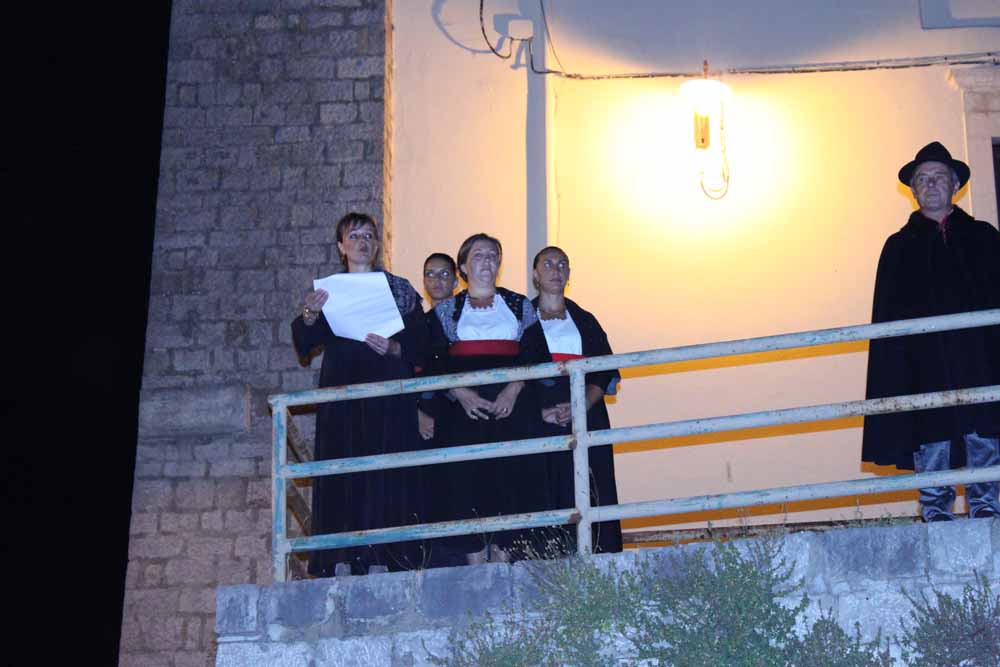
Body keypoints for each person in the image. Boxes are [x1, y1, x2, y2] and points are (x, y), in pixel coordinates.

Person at [863, 141, 1000, 522]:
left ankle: (987, 506)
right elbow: (888, 316)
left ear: (956, 185)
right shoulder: (899, 247)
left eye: (939, 176)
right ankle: (935, 509)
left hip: (979, 357)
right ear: (913, 190)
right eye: (923, 179)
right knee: (930, 431)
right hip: (923, 363)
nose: (931, 184)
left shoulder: (984, 238)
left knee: (984, 427)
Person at [292, 212, 429, 576]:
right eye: (353, 236)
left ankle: (388, 556)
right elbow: (305, 341)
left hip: (389, 393)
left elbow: (424, 343)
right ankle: (340, 556)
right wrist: (309, 312)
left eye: (368, 235)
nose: (362, 242)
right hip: (343, 392)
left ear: (377, 244)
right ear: (341, 247)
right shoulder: (329, 291)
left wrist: (396, 348)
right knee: (342, 468)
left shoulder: (399, 289)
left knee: (388, 468)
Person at [427, 233, 545, 564]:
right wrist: (460, 392)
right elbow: (432, 360)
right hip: (463, 415)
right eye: (478, 255)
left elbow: (537, 353)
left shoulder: (520, 305)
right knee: (466, 484)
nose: (487, 261)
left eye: (492, 255)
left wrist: (513, 388)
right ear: (464, 266)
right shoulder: (446, 311)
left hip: (512, 411)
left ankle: (505, 560)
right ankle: (475, 565)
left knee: (511, 481)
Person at [520, 246, 623, 553]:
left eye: (562, 264)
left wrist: (581, 405)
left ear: (569, 274)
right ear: (536, 274)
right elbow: (514, 373)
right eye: (548, 264)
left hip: (587, 416)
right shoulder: (520, 320)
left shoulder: (586, 320)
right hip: (539, 419)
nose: (556, 270)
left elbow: (604, 369)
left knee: (593, 487)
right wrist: (538, 409)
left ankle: (599, 558)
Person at [417, 253, 459, 443]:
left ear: (456, 282)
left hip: (465, 407)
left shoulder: (469, 321)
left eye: (444, 274)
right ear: (424, 282)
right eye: (430, 274)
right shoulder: (416, 325)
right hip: (426, 410)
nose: (437, 280)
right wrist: (417, 414)